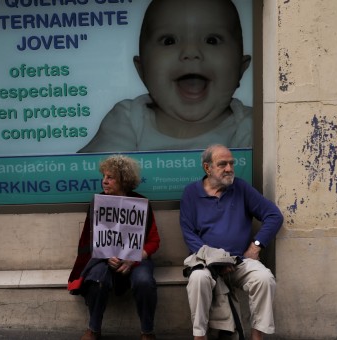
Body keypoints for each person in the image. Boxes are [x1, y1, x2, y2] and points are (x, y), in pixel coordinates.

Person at [79, 0, 252, 153]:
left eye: (212, 40)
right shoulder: (128, 120)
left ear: (241, 68)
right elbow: (92, 178)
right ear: (142, 70)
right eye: (169, 41)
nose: (191, 52)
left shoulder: (251, 126)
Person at [179, 144, 284, 340]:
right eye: (222, 164)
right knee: (197, 279)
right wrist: (217, 260)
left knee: (264, 278)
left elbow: (273, 215)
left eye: (231, 163)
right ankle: (199, 336)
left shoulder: (240, 188)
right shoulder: (191, 193)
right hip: (206, 262)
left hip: (239, 261)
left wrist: (256, 245)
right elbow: (189, 234)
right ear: (207, 168)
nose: (229, 168)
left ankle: (256, 336)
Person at [68, 154, 161, 340]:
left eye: (110, 177)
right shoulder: (97, 203)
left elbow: (153, 242)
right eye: (104, 177)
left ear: (123, 180)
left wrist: (133, 258)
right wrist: (104, 256)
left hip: (136, 259)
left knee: (144, 282)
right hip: (105, 259)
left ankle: (147, 332)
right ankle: (93, 328)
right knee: (96, 280)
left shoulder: (141, 204)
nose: (104, 181)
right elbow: (89, 240)